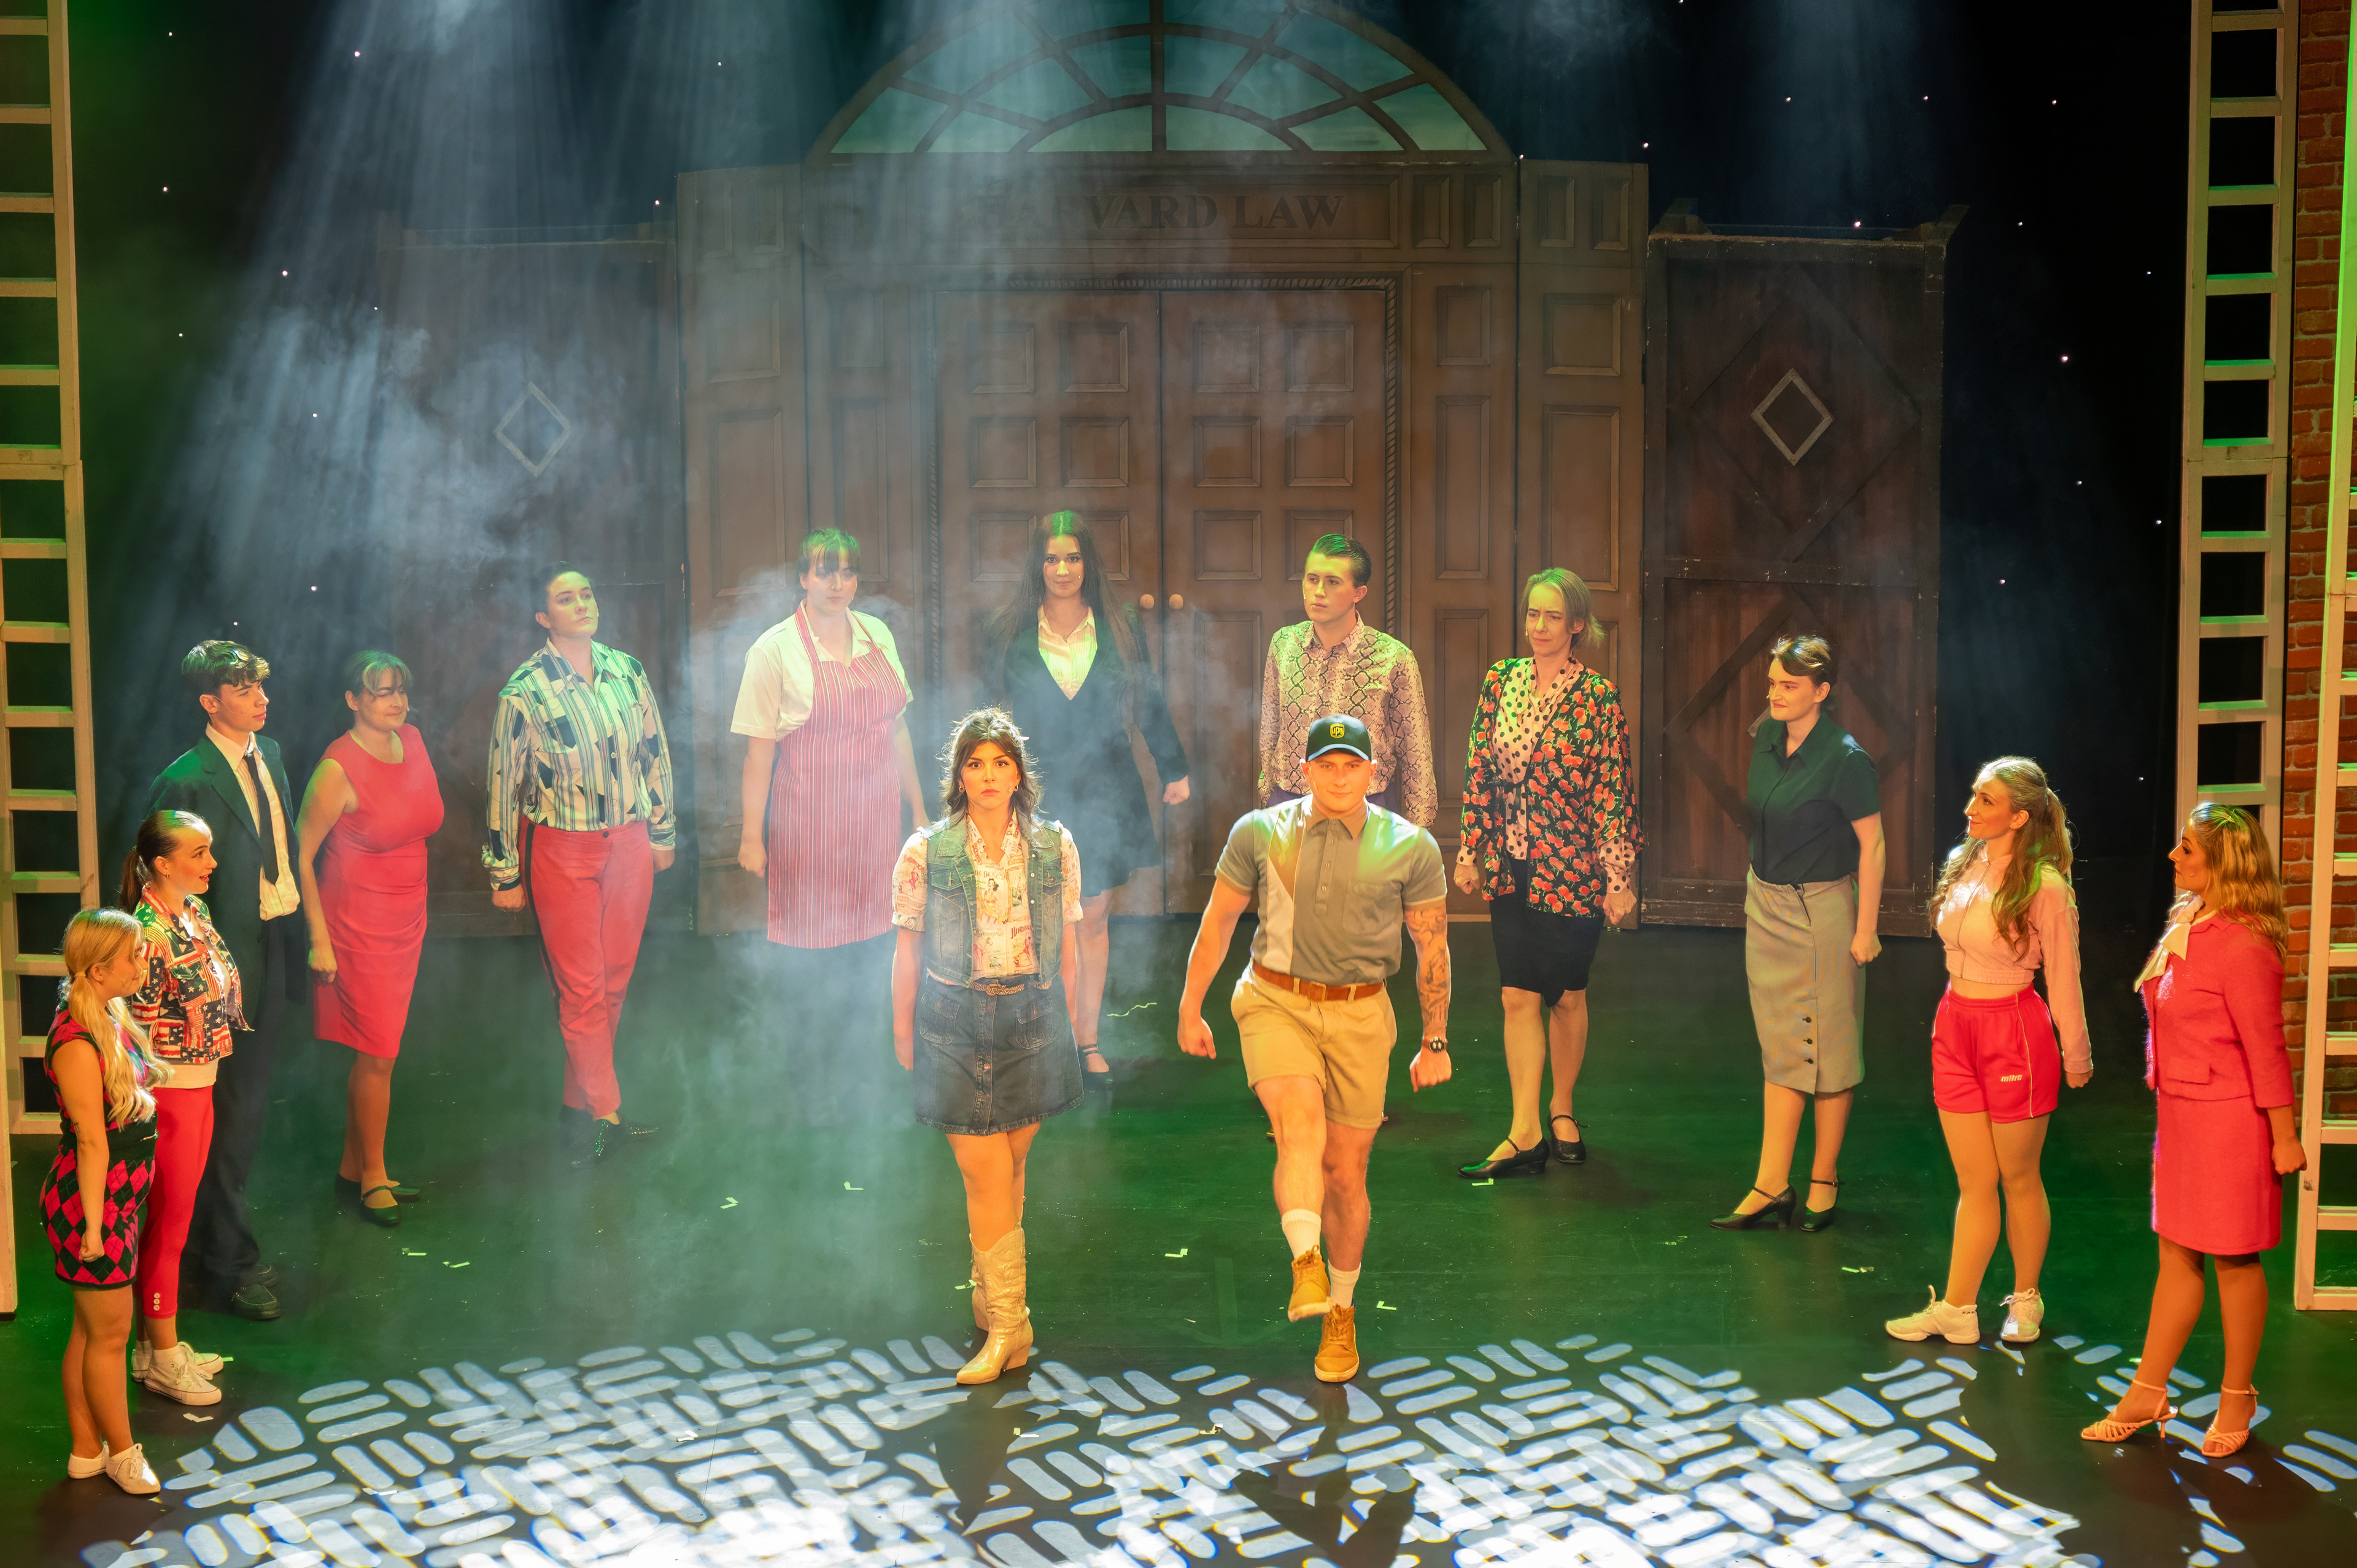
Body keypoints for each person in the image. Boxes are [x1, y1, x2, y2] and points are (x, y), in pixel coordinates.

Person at [1177, 714, 1455, 1383]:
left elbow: (1433, 948)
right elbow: (1218, 922)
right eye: (1325, 765)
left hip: (1362, 1014)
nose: (1338, 777)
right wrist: (1190, 1006)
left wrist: (1435, 1039)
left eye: (1351, 765)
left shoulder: (1411, 846)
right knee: (1298, 1126)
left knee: (1345, 1175)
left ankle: (1342, 1310)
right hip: (1276, 999)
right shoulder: (1259, 833)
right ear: (1303, 771)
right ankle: (1307, 1262)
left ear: (1373, 773)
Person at [2083, 805, 2305, 1458]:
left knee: (2235, 1259)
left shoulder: (2245, 944)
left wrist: (2284, 1135)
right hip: (2182, 1116)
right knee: (2177, 1257)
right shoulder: (2191, 921)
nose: (2173, 856)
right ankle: (2148, 1392)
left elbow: (2267, 1048)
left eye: (2187, 848)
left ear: (2222, 860)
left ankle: (2238, 1396)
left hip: (2232, 1122)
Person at [889, 709, 1083, 1385]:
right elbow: (906, 948)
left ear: (1019, 773)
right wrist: (902, 1030)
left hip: (1031, 1015)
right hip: (951, 1018)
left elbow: (1070, 942)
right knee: (984, 1171)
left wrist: (1076, 1027)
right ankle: (1009, 1324)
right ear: (960, 776)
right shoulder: (926, 851)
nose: (989, 775)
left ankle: (991, 1293)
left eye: (1002, 762)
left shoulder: (1055, 845)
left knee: (1012, 1164)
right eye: (976, 763)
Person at [1886, 759, 2092, 1345]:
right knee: (1975, 1180)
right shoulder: (1967, 861)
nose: (1970, 808)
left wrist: (2076, 1054)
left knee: (2018, 1176)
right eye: (1974, 795)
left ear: (2019, 817)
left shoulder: (2046, 887)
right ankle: (1957, 1307)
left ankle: (2026, 1298)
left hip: (2014, 1032)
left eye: (1986, 800)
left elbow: (2065, 977)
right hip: (1955, 1025)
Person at [985, 511, 1190, 1089]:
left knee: (1093, 915)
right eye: (1052, 558)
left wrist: (1173, 767)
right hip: (1036, 790)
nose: (1063, 569)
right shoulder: (1008, 628)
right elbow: (988, 712)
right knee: (1036, 921)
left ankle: (1086, 1041)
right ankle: (1039, 1043)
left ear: (1088, 563)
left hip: (1107, 785)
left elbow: (1146, 695)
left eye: (1073, 557)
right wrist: (979, 785)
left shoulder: (1120, 625)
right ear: (1038, 564)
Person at [486, 563, 679, 1167]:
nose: (582, 604)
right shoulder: (525, 690)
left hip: (629, 841)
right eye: (566, 599)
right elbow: (502, 783)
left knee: (614, 982)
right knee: (582, 988)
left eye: (587, 594)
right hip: (563, 848)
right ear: (543, 616)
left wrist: (663, 827)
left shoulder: (627, 671)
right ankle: (608, 1114)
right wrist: (503, 870)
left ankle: (578, 1110)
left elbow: (655, 752)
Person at [1452, 569, 1639, 1178]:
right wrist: (1471, 848)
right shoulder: (1500, 680)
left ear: (1577, 624)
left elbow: (1612, 789)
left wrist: (1617, 877)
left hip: (1572, 867)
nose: (1538, 626)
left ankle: (1562, 1107)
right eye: (1533, 613)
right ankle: (1524, 1130)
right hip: (1512, 864)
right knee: (1517, 994)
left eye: (1552, 616)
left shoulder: (1597, 697)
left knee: (1566, 996)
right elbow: (1480, 768)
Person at [146, 640, 298, 1321]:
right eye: (243, 689)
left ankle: (216, 1249)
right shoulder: (186, 778)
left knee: (245, 1113)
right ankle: (225, 1261)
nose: (261, 698)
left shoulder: (272, 756)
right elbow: (152, 881)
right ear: (211, 702)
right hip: (210, 969)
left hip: (267, 946)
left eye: (261, 685)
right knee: (219, 1116)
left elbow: (279, 855)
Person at [1712, 635, 1884, 1232]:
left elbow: (1873, 844)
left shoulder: (1846, 758)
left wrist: (1867, 929)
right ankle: (1771, 1182)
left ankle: (1824, 1178)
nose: (1776, 694)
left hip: (1822, 911)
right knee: (1782, 1046)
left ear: (1822, 691)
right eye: (1772, 683)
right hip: (1767, 906)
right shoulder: (1766, 734)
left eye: (1789, 685)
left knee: (1830, 1049)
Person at [296, 651, 444, 1227]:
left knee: (377, 1048)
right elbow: (299, 856)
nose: (396, 701)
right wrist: (319, 938)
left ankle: (351, 1169)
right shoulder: (337, 767)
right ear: (353, 700)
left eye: (400, 690)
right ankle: (374, 1177)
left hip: (407, 915)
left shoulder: (414, 740)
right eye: (381, 692)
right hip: (355, 923)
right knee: (379, 1052)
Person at [734, 529, 927, 949]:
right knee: (812, 946)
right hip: (809, 828)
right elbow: (758, 756)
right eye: (825, 573)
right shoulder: (774, 650)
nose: (838, 584)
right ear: (804, 578)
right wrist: (751, 838)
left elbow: (897, 729)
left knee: (877, 941)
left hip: (876, 824)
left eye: (848, 573)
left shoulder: (878, 634)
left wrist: (918, 807)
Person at [44, 907, 169, 1495]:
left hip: (113, 1197)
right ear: (97, 970)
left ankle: (85, 1447)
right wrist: (95, 1228)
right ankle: (122, 1452)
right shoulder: (74, 1041)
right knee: (112, 1335)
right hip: (92, 1204)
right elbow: (91, 1140)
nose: (142, 962)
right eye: (133, 955)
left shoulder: (106, 1014)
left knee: (91, 1330)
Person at [122, 811, 241, 1405]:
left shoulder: (194, 912)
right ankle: (163, 1355)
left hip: (200, 1082)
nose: (211, 862)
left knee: (175, 1217)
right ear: (162, 863)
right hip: (171, 1092)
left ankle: (154, 1345)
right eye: (198, 853)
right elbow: (134, 1028)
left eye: (209, 850)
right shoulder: (147, 933)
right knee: (170, 1220)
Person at [1258, 535, 1438, 828]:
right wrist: (1268, 793)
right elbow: (1270, 728)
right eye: (1312, 579)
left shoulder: (1393, 658)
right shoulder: (1284, 644)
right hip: (1291, 807)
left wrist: (1419, 829)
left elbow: (1415, 753)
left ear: (1359, 593)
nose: (1318, 591)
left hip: (1366, 811)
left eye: (1333, 582)